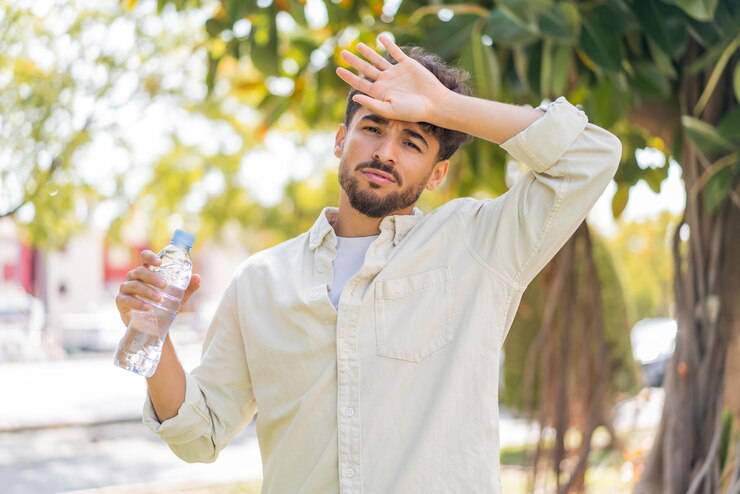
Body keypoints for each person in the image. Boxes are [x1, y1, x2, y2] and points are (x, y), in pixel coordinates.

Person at [115, 35, 621, 493]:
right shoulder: (260, 281)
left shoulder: (479, 246)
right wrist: (153, 342)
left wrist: (445, 106)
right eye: (373, 128)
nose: (385, 152)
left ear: (438, 172)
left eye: (412, 142)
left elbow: (588, 156)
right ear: (341, 139)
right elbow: (199, 436)